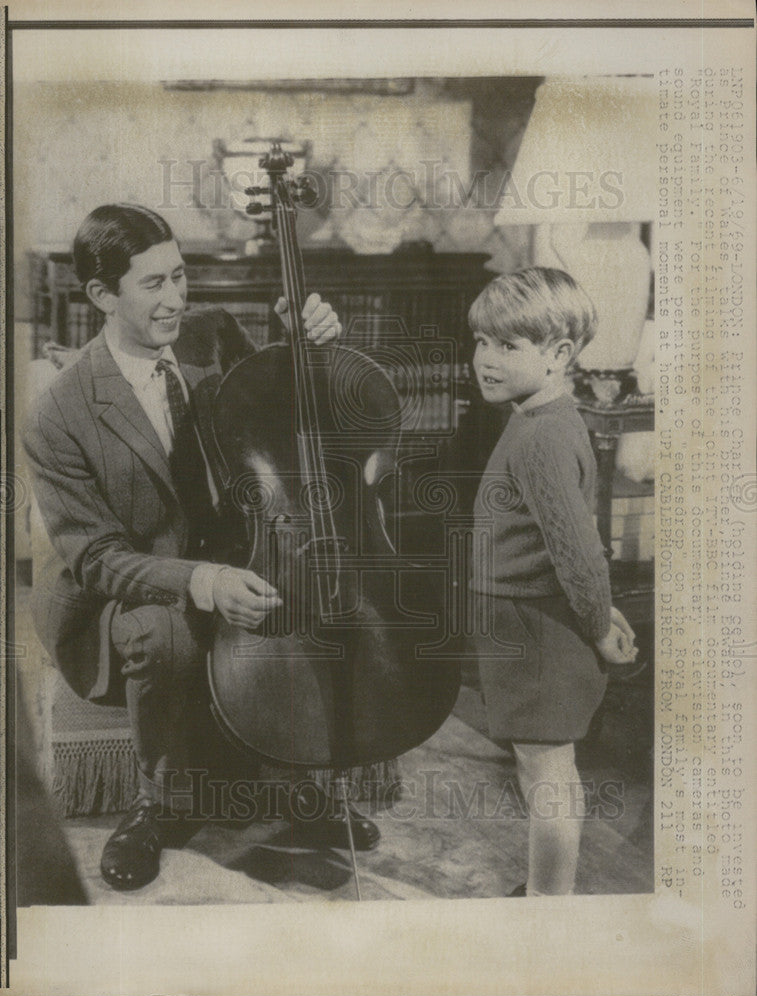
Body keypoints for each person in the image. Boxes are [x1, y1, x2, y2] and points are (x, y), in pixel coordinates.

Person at [23, 203, 380, 892]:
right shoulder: (58, 414)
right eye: (152, 284)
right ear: (101, 295)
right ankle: (159, 803)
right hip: (120, 585)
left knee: (301, 590)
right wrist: (203, 581)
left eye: (180, 277)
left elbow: (285, 407)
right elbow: (96, 558)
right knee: (167, 638)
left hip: (231, 546)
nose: (176, 299)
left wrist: (311, 343)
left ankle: (294, 784)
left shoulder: (211, 336)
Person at [468, 267, 638, 897]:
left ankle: (548, 907)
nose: (485, 359)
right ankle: (551, 895)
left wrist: (597, 626)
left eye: (508, 346)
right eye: (481, 341)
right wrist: (600, 615)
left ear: (560, 354)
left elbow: (577, 552)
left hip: (537, 628)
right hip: (526, 621)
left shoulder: (540, 436)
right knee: (546, 769)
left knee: (545, 774)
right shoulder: (539, 415)